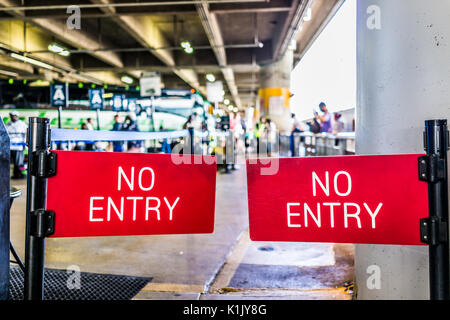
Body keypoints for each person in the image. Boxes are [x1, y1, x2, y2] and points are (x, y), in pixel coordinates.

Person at [6, 111, 27, 179]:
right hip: (10, 146)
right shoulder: (8, 124)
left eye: (14, 115)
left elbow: (26, 134)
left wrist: (24, 144)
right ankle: (14, 175)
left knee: (19, 163)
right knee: (10, 162)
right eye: (11, 115)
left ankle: (20, 175)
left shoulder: (22, 124)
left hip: (19, 146)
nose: (13, 117)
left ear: (17, 116)